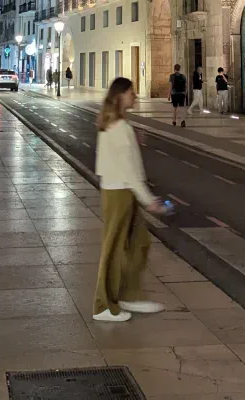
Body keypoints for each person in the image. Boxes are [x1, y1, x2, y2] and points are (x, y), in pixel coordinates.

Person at [93, 76, 168, 322]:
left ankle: (128, 294)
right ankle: (103, 305)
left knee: (138, 242)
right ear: (119, 96)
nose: (135, 96)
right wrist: (149, 200)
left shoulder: (117, 124)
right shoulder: (119, 128)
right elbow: (129, 171)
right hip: (120, 191)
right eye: (131, 92)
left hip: (119, 189)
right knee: (114, 248)